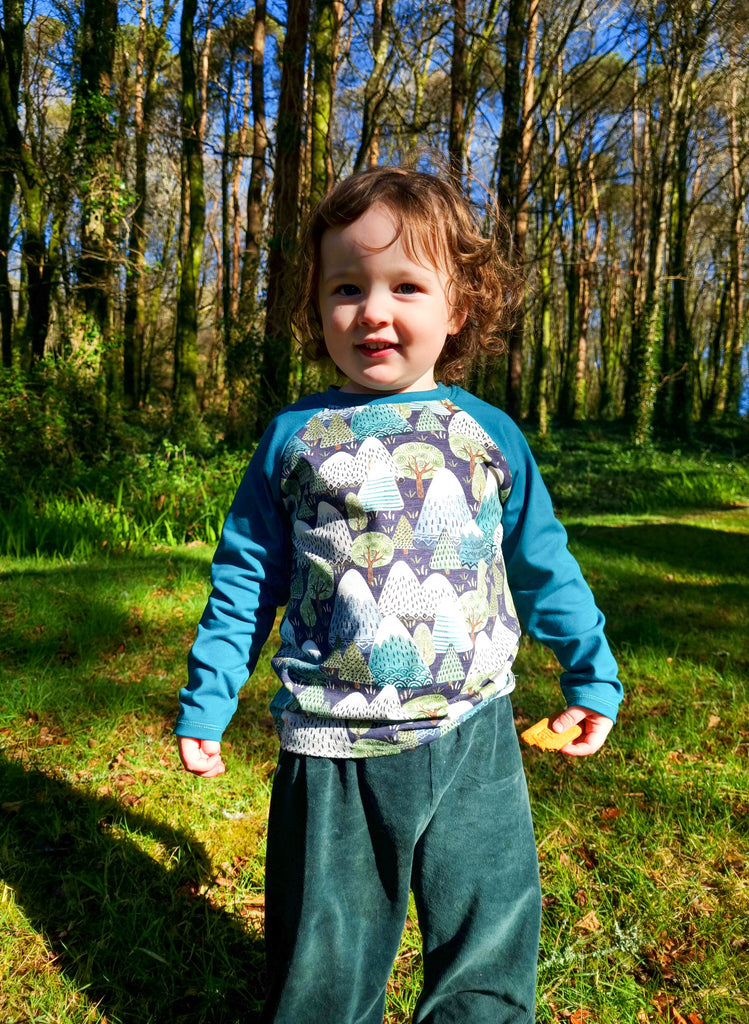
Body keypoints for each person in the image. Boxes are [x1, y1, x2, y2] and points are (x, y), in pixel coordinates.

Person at [176, 166, 622, 1024]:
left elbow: (540, 562)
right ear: (317, 308)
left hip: (475, 731)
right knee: (324, 955)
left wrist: (589, 671)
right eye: (346, 287)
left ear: (458, 308)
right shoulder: (293, 440)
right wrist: (209, 697)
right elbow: (244, 576)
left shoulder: (486, 436)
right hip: (331, 740)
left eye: (406, 286)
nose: (373, 311)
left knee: (486, 939)